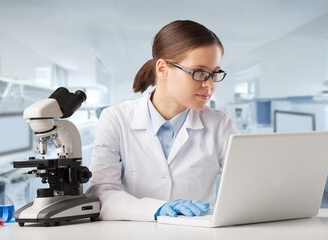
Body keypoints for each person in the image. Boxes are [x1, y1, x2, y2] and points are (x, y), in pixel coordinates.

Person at [86, 20, 238, 222]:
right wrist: (158, 209)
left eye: (214, 73)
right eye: (199, 72)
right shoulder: (116, 119)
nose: (209, 84)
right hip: (136, 233)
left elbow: (249, 184)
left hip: (196, 233)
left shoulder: (219, 124)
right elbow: (101, 195)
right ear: (163, 68)